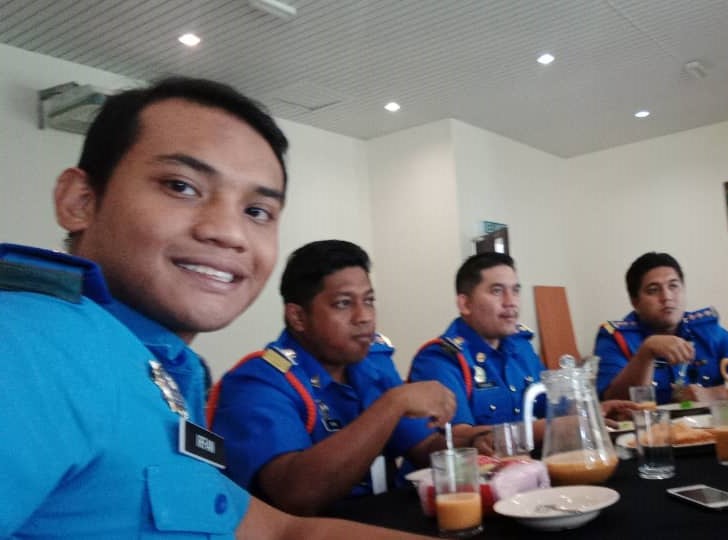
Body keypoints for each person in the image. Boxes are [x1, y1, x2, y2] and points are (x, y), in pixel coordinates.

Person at [0, 77, 424, 538]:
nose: (229, 232)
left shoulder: (160, 369)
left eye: (256, 211)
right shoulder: (32, 345)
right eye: (182, 186)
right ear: (80, 201)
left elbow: (282, 533)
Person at [208, 240, 456, 515]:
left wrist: (478, 441)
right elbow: (297, 495)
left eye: (369, 301)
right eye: (343, 304)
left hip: (385, 521)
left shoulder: (373, 365)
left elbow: (422, 448)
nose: (364, 317)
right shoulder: (257, 383)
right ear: (298, 317)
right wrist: (393, 404)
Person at [408, 252, 546, 451]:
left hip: (524, 465)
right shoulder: (440, 358)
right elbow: (460, 439)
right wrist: (546, 429)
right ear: (465, 304)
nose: (511, 302)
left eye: (515, 290)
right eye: (497, 291)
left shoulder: (521, 347)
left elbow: (552, 406)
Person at [594, 252, 728, 404]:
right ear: (635, 302)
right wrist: (645, 353)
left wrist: (714, 394)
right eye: (653, 290)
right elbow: (611, 402)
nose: (667, 297)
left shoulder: (707, 330)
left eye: (673, 286)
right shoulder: (616, 338)